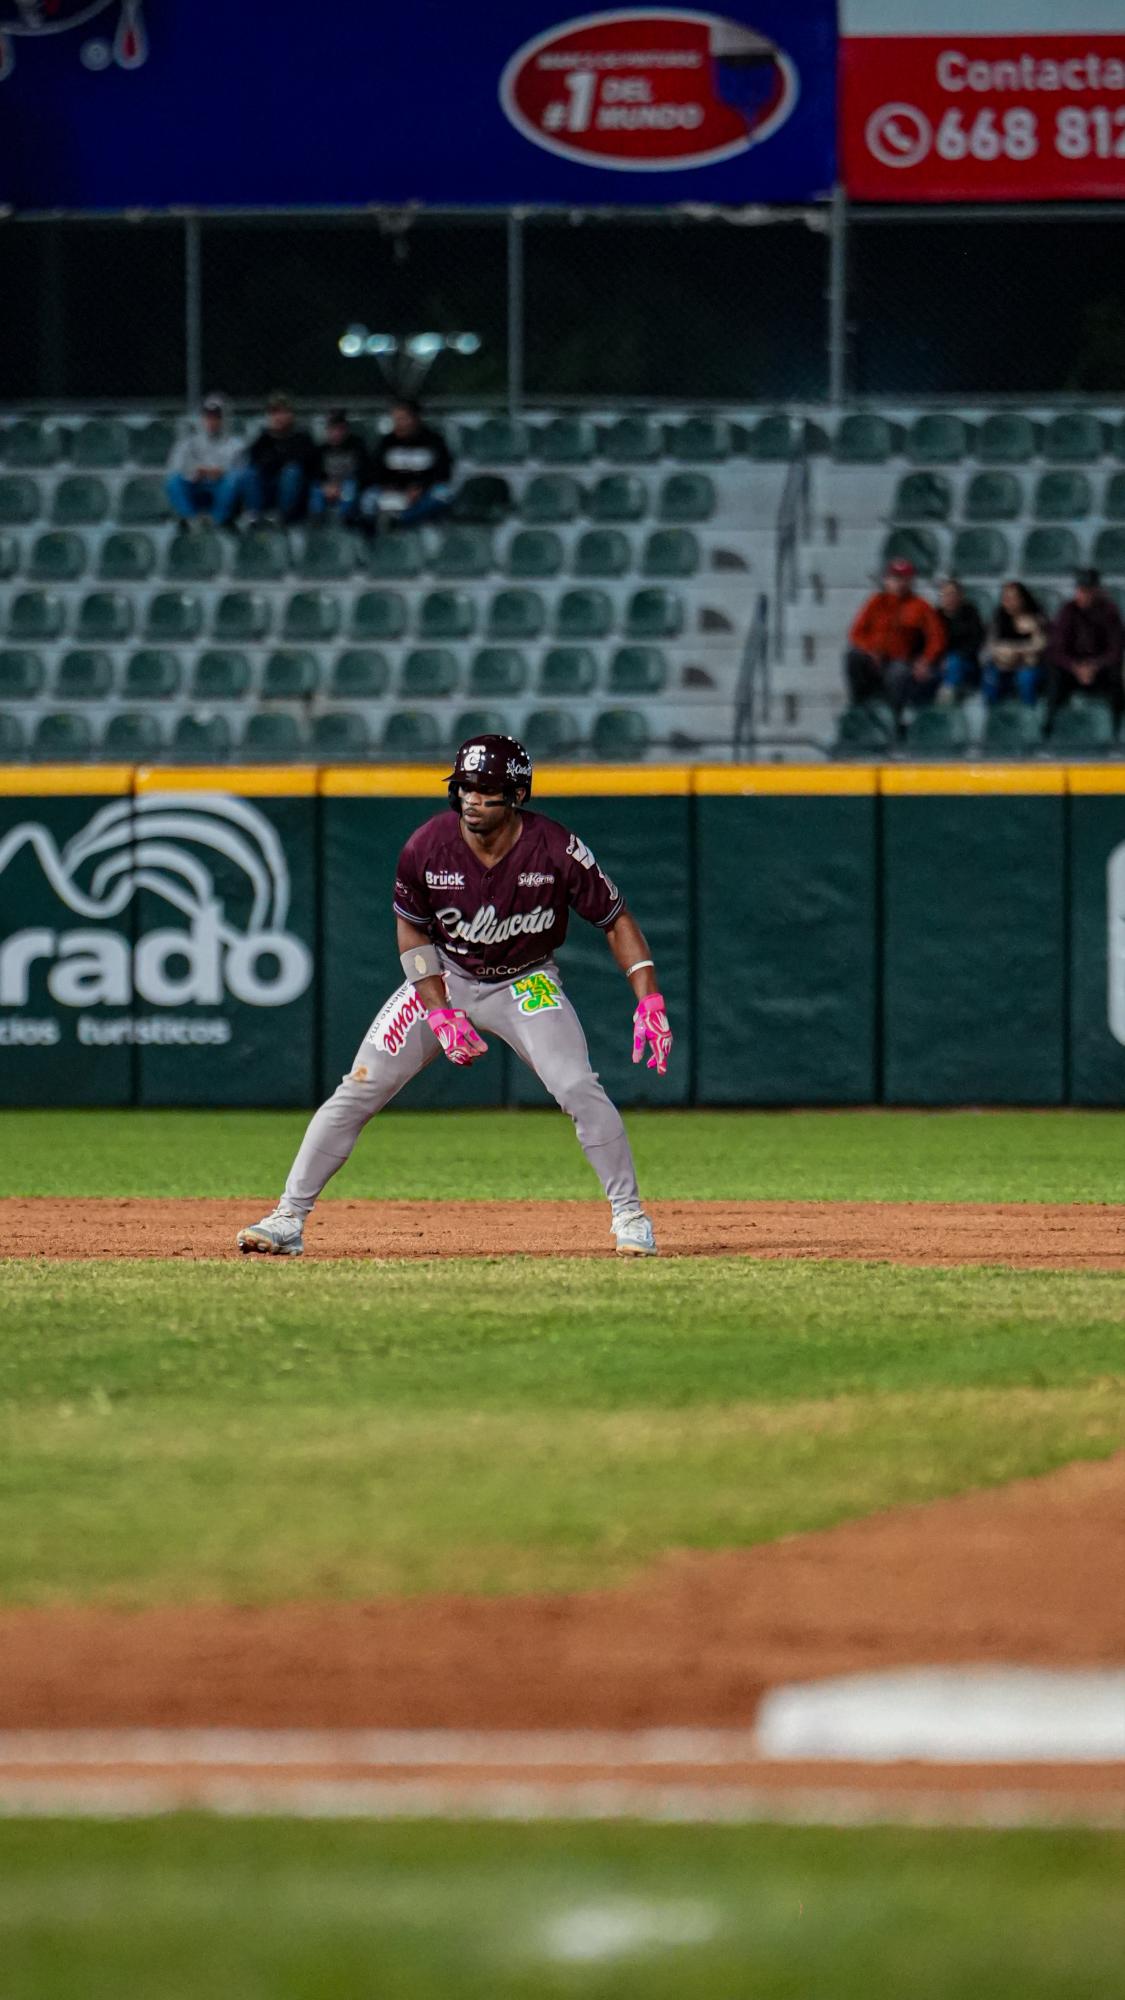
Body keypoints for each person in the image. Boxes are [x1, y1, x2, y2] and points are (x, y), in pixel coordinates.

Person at [237, 734, 670, 1260]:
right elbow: (412, 932)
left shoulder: (555, 847)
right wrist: (439, 1010)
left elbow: (615, 917)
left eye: (487, 791)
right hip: (447, 976)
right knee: (359, 1086)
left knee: (577, 1085)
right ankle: (287, 1217)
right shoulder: (426, 845)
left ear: (516, 796)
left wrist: (648, 998)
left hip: (526, 979)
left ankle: (629, 1215)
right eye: (466, 786)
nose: (472, 800)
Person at [844, 557, 946, 722]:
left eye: (905, 579)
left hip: (899, 659)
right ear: (887, 580)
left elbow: (936, 638)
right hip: (873, 658)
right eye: (895, 578)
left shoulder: (920, 605)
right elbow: (856, 633)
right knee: (853, 656)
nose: (900, 583)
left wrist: (926, 660)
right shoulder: (875, 602)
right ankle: (859, 707)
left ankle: (892, 718)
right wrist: (870, 650)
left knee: (898, 673)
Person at [360, 398, 454, 534]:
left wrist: (421, 487)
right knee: (368, 498)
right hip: (393, 489)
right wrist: (391, 487)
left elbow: (443, 472)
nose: (399, 424)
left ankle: (401, 521)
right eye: (396, 419)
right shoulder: (387, 442)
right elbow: (375, 471)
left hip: (424, 491)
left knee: (443, 494)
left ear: (415, 418)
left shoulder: (434, 441)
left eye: (403, 419)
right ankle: (370, 538)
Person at [1047, 568, 1124, 724]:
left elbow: (1115, 650)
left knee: (1116, 680)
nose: (1083, 595)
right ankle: (1050, 727)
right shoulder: (1068, 611)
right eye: (1081, 590)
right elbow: (1057, 649)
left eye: (1088, 591)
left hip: (1100, 668)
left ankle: (1116, 728)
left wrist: (1095, 666)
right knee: (1054, 678)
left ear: (1097, 591)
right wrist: (1075, 667)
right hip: (1073, 669)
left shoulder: (1109, 611)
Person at [164, 393, 244, 529]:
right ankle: (192, 520)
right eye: (208, 416)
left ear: (224, 418)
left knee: (233, 480)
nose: (212, 421)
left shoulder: (236, 445)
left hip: (221, 491)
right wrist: (193, 473)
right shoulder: (188, 443)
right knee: (173, 481)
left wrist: (222, 473)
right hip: (197, 489)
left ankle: (217, 521)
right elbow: (174, 467)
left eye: (217, 417)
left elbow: (242, 475)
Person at [237, 392, 317, 525]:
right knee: (248, 473)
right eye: (274, 412)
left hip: (295, 495)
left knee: (291, 472)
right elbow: (256, 462)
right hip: (268, 489)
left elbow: (305, 465)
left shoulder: (302, 437)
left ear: (291, 415)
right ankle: (254, 517)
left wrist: (276, 461)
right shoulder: (264, 439)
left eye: (282, 412)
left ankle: (282, 517)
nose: (278, 417)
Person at [982, 581, 1048, 707]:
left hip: (1028, 664)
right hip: (1003, 664)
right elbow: (990, 645)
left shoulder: (1036, 618)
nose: (1009, 602)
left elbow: (1041, 644)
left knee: (1026, 678)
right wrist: (1002, 654)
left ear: (1022, 599)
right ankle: (993, 714)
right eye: (1006, 598)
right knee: (990, 676)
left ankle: (1029, 715)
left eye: (1013, 598)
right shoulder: (998, 619)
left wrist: (1015, 650)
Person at [309, 409, 370, 530]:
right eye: (333, 429)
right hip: (328, 486)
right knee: (315, 489)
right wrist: (326, 486)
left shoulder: (357, 447)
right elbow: (315, 474)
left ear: (346, 430)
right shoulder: (321, 450)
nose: (337, 433)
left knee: (350, 486)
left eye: (340, 429)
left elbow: (365, 473)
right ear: (327, 431)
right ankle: (316, 521)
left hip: (348, 486)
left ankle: (347, 519)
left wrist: (339, 487)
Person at [935, 577, 985, 703]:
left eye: (952, 594)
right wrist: (939, 658)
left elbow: (976, 641)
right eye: (945, 594)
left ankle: (947, 697)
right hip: (940, 662)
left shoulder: (971, 613)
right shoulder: (935, 616)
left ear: (960, 596)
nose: (948, 598)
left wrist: (954, 657)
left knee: (954, 662)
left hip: (966, 662)